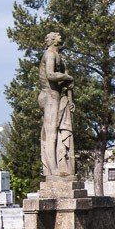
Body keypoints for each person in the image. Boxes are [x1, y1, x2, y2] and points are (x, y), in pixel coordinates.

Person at [38, 32, 76, 177]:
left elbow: (59, 81)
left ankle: (62, 165)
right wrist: (67, 77)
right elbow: (50, 75)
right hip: (49, 97)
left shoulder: (58, 55)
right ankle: (52, 169)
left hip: (57, 96)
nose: (60, 36)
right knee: (52, 133)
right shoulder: (50, 54)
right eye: (57, 35)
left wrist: (67, 89)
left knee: (60, 131)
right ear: (53, 40)